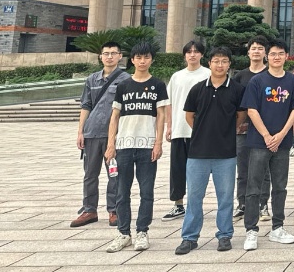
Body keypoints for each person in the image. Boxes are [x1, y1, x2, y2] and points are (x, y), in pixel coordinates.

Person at [175, 46, 246, 255]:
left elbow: (241, 115)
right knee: (194, 197)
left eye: (224, 61)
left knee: (225, 197)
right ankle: (189, 238)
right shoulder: (198, 89)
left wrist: (228, 130)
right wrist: (201, 131)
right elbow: (189, 115)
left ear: (229, 64)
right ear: (210, 63)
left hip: (226, 153)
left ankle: (224, 235)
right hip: (198, 153)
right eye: (216, 61)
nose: (220, 65)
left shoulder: (236, 89)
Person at [104, 41, 170, 253]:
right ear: (132, 60)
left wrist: (158, 143)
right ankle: (123, 233)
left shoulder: (158, 85)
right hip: (124, 146)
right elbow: (115, 116)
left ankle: (142, 231)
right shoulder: (123, 86)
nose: (142, 61)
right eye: (138, 57)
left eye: (146, 57)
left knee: (146, 191)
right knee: (122, 192)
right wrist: (111, 144)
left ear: (152, 60)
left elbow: (161, 115)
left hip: (147, 146)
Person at [240, 39, 294, 251]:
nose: (277, 57)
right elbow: (251, 110)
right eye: (273, 54)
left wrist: (281, 134)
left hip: (282, 143)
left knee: (280, 187)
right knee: (254, 187)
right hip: (259, 142)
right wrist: (267, 136)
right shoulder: (257, 81)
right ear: (267, 57)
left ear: (287, 56)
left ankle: (278, 227)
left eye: (281, 53)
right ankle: (251, 230)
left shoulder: (292, 81)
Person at [72, 40, 129, 228]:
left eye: (113, 53)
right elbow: (86, 105)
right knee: (90, 174)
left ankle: (114, 210)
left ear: (120, 56)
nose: (109, 57)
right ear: (100, 56)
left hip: (113, 135)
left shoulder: (126, 79)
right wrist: (81, 131)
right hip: (91, 134)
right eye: (106, 53)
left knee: (114, 173)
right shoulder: (92, 79)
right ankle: (89, 210)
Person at [162, 40, 211, 222]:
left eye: (196, 51)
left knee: (199, 170)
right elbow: (169, 102)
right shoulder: (177, 76)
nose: (192, 54)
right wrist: (169, 126)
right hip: (179, 130)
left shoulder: (208, 74)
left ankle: (195, 204)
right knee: (177, 169)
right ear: (184, 55)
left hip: (200, 132)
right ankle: (178, 204)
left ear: (202, 55)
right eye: (189, 52)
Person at [233, 36, 270, 222]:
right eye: (253, 48)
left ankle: (263, 205)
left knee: (264, 169)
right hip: (243, 129)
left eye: (260, 48)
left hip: (265, 129)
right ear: (248, 52)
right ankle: (242, 203)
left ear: (265, 53)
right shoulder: (239, 76)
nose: (256, 51)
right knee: (243, 168)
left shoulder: (270, 75)